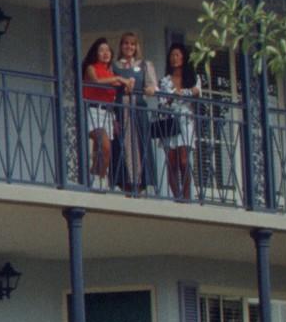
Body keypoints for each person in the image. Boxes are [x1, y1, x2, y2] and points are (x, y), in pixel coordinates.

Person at [112, 31, 157, 195]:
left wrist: (150, 89)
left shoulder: (144, 65)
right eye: (125, 43)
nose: (129, 46)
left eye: (132, 43)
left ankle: (139, 185)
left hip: (138, 110)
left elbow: (152, 86)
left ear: (136, 46)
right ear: (121, 46)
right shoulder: (115, 66)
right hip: (120, 110)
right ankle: (126, 184)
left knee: (139, 147)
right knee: (121, 146)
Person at [157, 42, 203, 202]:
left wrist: (179, 93)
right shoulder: (165, 80)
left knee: (184, 161)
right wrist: (175, 96)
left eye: (177, 55)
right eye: (172, 55)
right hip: (170, 120)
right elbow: (163, 101)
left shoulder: (193, 77)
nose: (174, 58)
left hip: (186, 120)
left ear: (183, 57)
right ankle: (177, 197)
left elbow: (197, 92)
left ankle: (186, 196)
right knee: (172, 163)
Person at [81, 37, 123, 186]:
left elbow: (116, 95)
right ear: (96, 54)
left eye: (107, 50)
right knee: (105, 146)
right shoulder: (91, 68)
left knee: (101, 150)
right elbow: (96, 81)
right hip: (93, 110)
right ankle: (99, 179)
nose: (105, 53)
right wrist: (118, 78)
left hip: (107, 113)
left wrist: (128, 82)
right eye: (101, 50)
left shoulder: (110, 72)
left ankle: (96, 179)